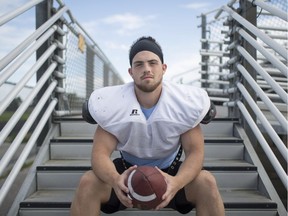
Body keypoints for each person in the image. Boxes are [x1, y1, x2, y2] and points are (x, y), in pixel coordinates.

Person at [70, 36, 225, 216]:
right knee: (88, 182)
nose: (147, 69)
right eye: (139, 65)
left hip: (170, 173)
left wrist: (177, 182)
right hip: (127, 173)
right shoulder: (114, 105)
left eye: (153, 63)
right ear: (131, 72)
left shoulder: (183, 104)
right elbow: (99, 153)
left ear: (163, 68)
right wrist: (115, 180)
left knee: (207, 182)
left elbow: (195, 152)